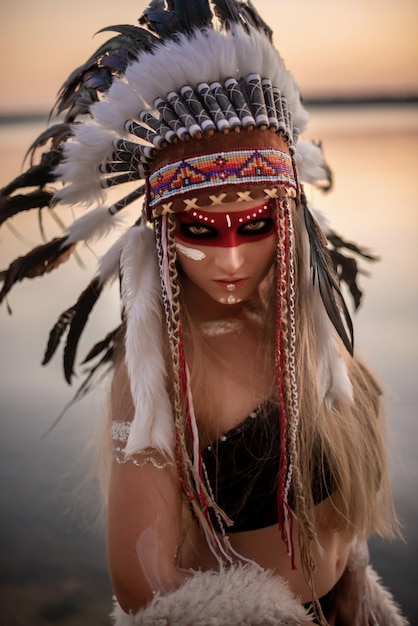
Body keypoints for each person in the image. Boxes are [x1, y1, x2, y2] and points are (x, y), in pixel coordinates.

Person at [0, 2, 408, 625]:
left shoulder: (313, 324)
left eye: (254, 223)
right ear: (162, 233)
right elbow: (143, 585)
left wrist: (351, 585)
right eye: (199, 229)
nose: (232, 258)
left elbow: (334, 507)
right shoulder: (160, 369)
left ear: (290, 219)